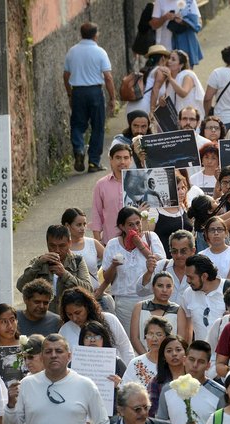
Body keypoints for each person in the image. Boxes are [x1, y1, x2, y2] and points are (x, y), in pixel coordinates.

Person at [98, 207, 166, 332]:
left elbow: (159, 266)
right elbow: (107, 278)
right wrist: (113, 266)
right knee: (130, 339)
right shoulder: (113, 245)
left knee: (153, 336)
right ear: (122, 227)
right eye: (130, 225)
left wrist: (140, 244)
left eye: (138, 223)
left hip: (150, 298)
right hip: (125, 302)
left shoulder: (151, 238)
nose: (136, 228)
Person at [63, 22, 116, 173]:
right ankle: (93, 162)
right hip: (95, 92)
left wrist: (69, 93)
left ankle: (79, 149)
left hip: (78, 92)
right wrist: (113, 98)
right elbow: (108, 77)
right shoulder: (100, 52)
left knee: (77, 125)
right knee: (98, 127)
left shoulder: (72, 52)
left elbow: (66, 75)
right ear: (96, 35)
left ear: (81, 34)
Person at [16, 225, 93, 313]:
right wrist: (38, 265)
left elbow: (88, 291)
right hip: (44, 317)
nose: (57, 250)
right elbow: (21, 286)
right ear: (47, 243)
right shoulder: (38, 262)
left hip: (70, 316)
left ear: (69, 243)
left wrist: (65, 274)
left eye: (62, 246)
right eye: (52, 246)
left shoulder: (77, 261)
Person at [58, 287, 134, 364]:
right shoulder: (65, 329)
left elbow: (125, 348)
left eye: (78, 313)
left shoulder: (110, 319)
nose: (74, 318)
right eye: (69, 314)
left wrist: (128, 372)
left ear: (87, 307)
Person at [129, 272, 183, 354]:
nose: (164, 290)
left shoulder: (179, 310)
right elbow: (134, 338)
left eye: (168, 286)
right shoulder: (139, 307)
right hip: (142, 358)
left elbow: (180, 340)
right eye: (160, 285)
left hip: (168, 360)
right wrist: (147, 358)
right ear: (153, 287)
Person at [181, 254, 228, 341]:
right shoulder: (188, 294)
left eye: (190, 277)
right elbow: (188, 328)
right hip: (201, 352)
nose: (187, 281)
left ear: (204, 276)